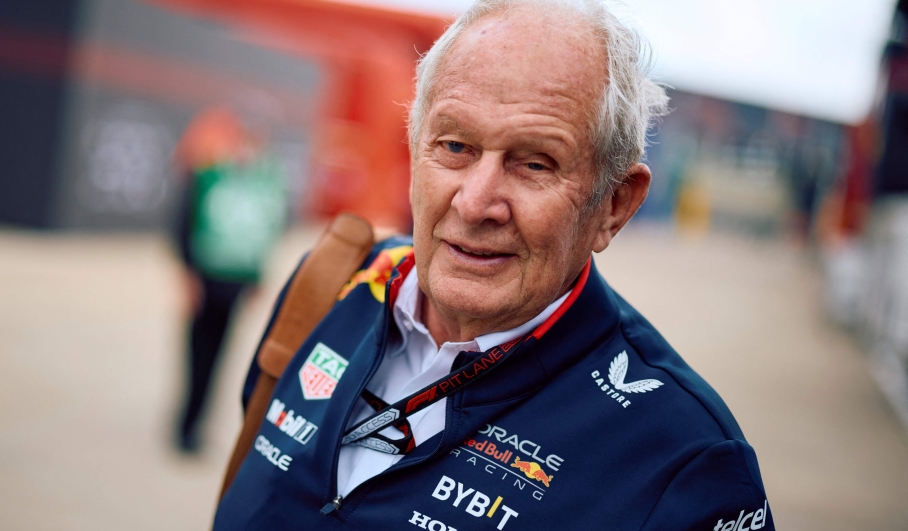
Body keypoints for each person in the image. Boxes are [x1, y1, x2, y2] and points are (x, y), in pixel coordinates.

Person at [215, 0, 775, 529]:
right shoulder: (333, 283)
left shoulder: (684, 462)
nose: (475, 203)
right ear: (415, 150)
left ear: (613, 205)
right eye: (455, 147)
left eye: (534, 163)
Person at [172, 107, 287, 453]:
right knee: (196, 353)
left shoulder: (267, 180)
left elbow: (266, 230)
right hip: (206, 276)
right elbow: (183, 224)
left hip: (237, 280)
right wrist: (187, 274)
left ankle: (199, 424)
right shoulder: (210, 173)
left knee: (221, 354)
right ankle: (185, 424)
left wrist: (258, 277)